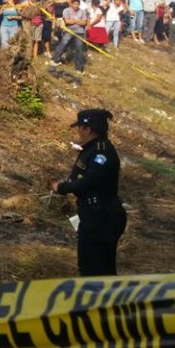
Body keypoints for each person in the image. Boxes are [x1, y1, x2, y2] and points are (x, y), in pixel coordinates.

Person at [51, 109, 126, 276]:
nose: (78, 131)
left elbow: (89, 181)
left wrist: (62, 188)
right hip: (92, 214)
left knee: (96, 269)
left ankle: (103, 300)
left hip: (102, 217)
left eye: (80, 128)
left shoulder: (102, 152)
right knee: (91, 266)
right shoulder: (91, 149)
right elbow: (79, 176)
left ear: (87, 129)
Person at [49, 0, 90, 73]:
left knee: (79, 48)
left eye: (77, 4)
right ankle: (54, 60)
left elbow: (84, 22)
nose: (76, 6)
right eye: (74, 4)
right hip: (69, 30)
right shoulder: (66, 10)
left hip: (80, 32)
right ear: (71, 4)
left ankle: (78, 68)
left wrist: (74, 21)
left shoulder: (82, 11)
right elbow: (67, 21)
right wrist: (78, 21)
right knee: (63, 44)